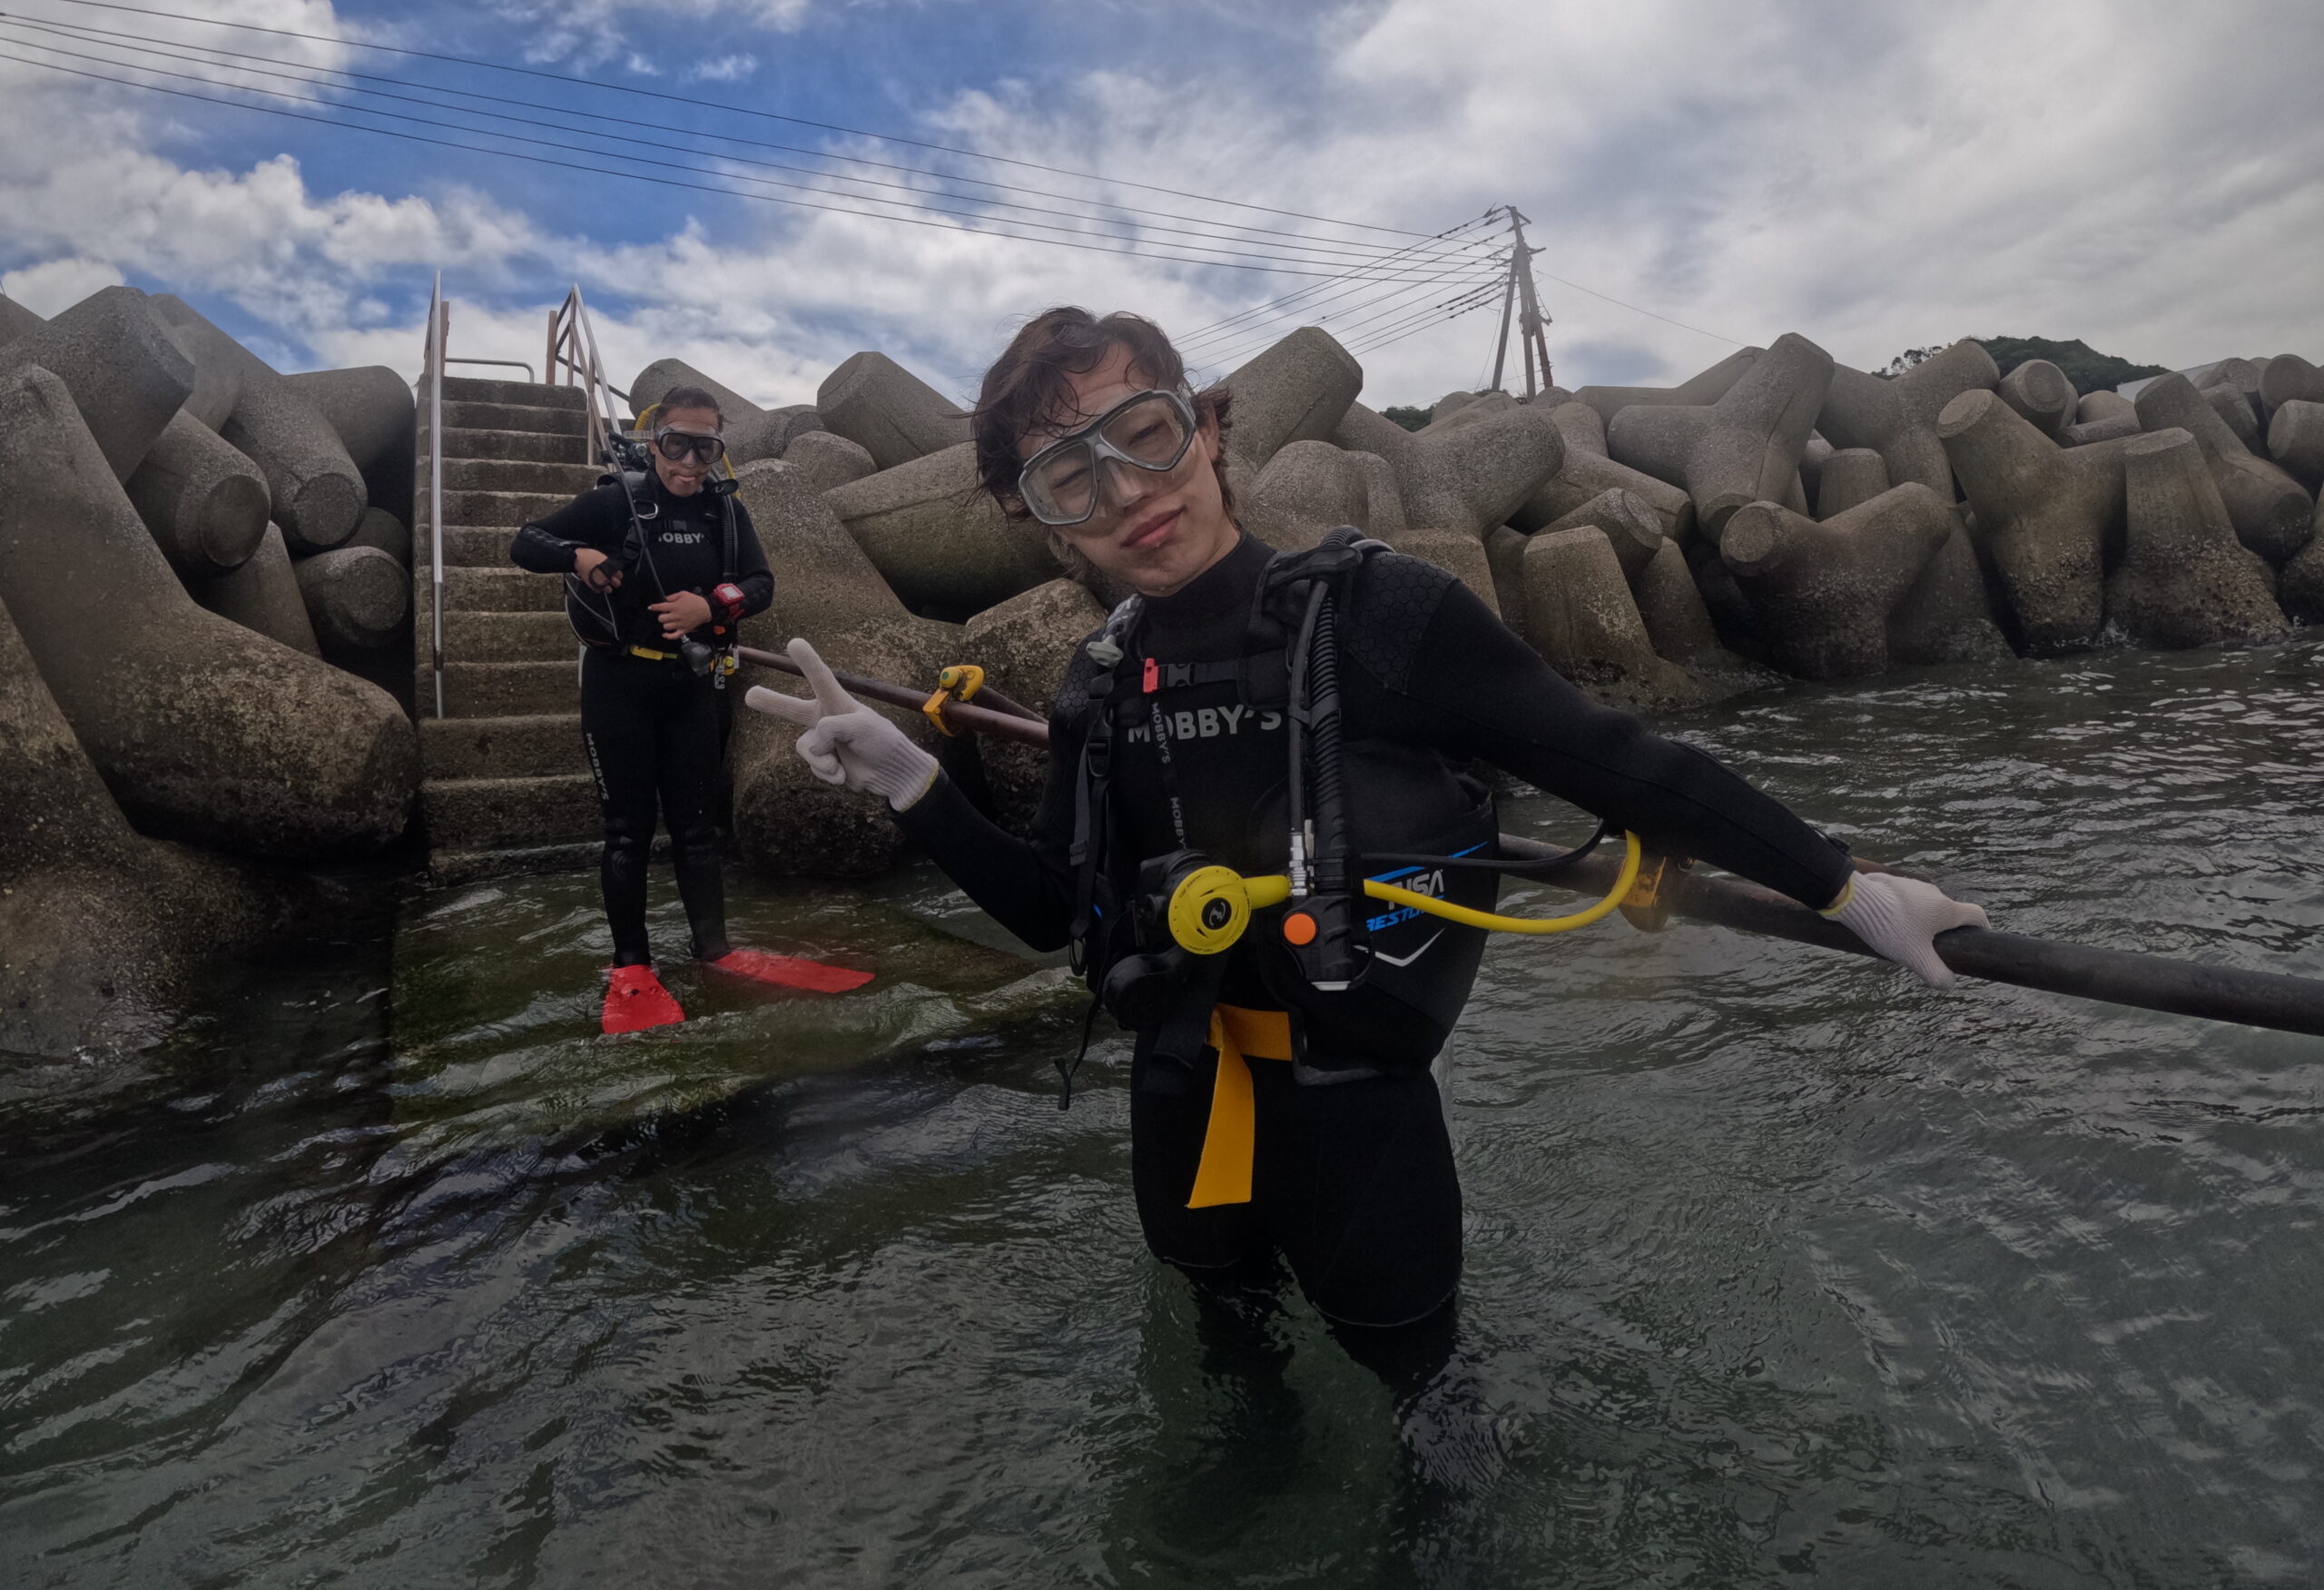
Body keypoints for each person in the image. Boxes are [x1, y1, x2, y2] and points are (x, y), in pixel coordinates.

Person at [745, 309, 1987, 1462]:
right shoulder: (1098, 686)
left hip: (1359, 1119)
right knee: (1232, 1384)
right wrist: (916, 783)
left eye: (1143, 433)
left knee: (1433, 1418)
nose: (1127, 493)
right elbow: (1051, 916)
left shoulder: (1380, 618)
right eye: (1071, 477)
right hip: (1183, 1106)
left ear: (1211, 426)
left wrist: (1845, 890)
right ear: (1041, 520)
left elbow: (1620, 762)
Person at [511, 385, 864, 1032]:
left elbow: (760, 583)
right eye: (677, 444)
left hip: (690, 687)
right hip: (618, 685)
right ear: (654, 443)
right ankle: (631, 967)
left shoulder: (724, 514)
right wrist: (579, 555)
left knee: (699, 831)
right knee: (628, 833)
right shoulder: (616, 501)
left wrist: (712, 605)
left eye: (706, 447)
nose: (690, 461)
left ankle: (715, 950)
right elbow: (525, 542)